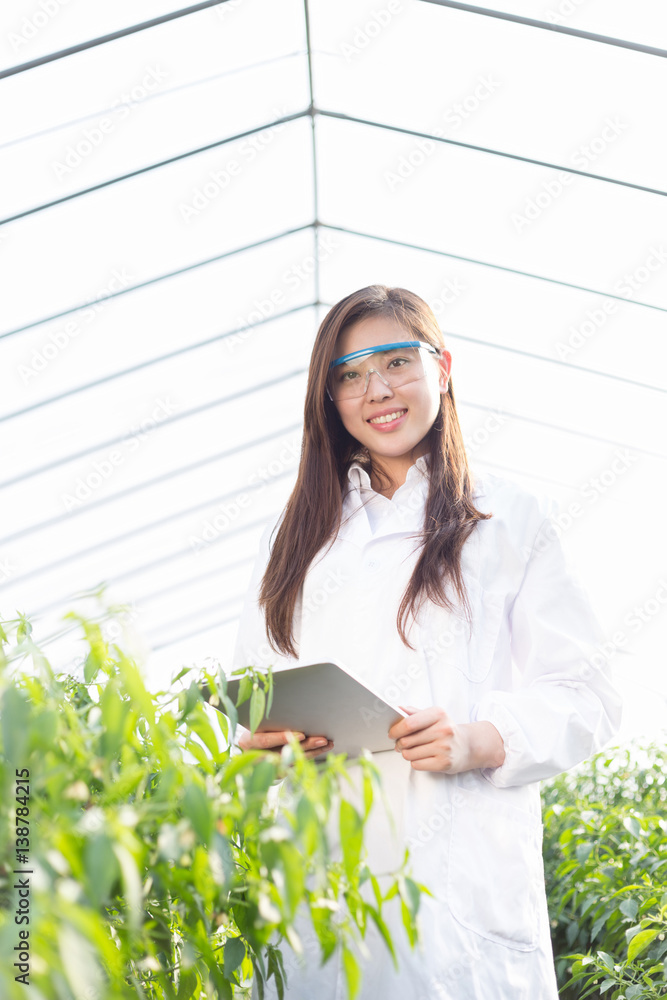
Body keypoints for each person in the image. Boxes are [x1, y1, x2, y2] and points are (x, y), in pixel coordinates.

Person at [230, 285, 623, 999]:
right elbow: (255, 689)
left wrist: (479, 740)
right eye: (347, 375)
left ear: (441, 367)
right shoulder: (293, 539)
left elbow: (587, 695)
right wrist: (263, 743)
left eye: (393, 362)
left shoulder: (506, 518)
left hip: (459, 880)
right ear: (329, 399)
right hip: (320, 870)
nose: (374, 390)